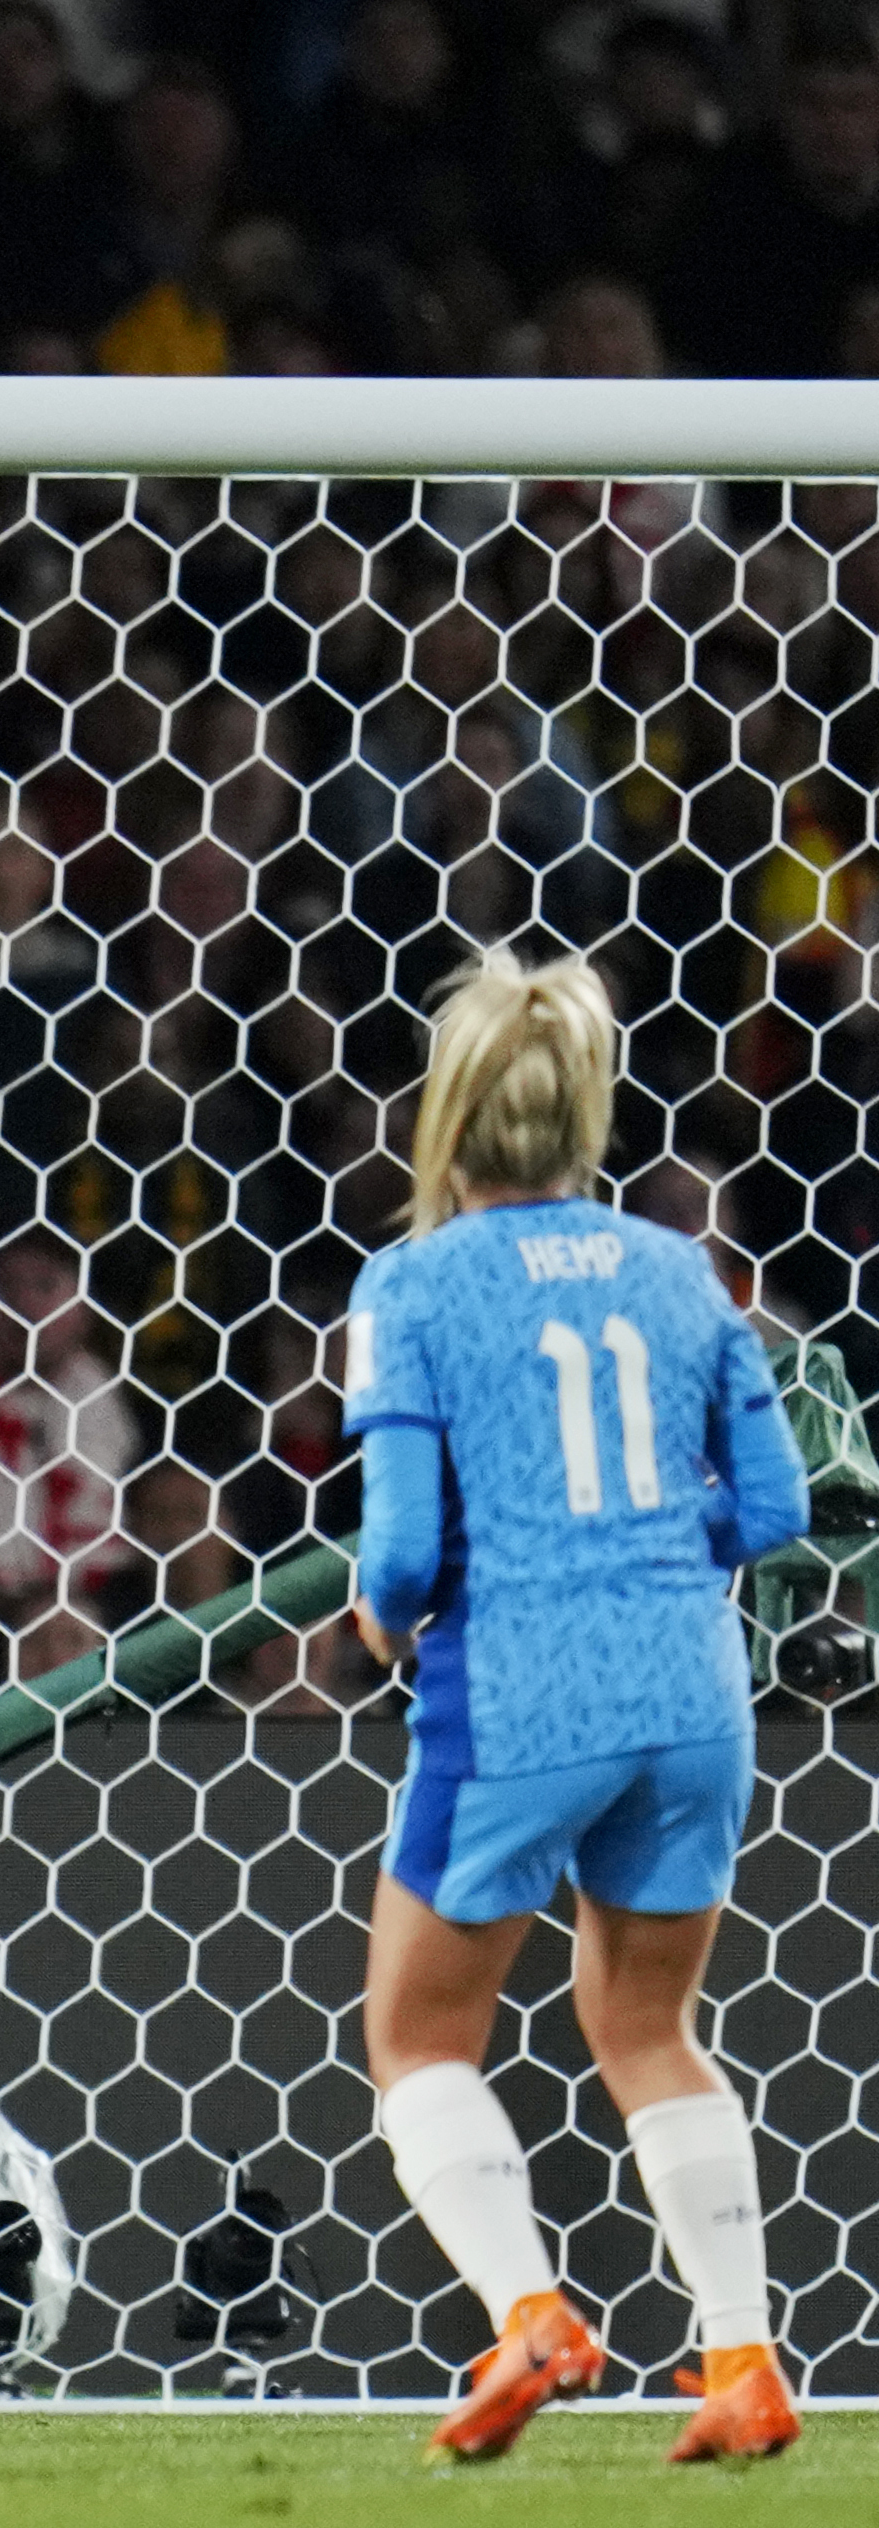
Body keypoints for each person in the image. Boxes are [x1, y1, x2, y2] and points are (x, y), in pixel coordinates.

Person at [342, 950, 808, 2467]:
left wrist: (387, 1610)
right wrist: (662, 1556)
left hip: (522, 1695)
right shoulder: (680, 1269)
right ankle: (742, 2361)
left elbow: (405, 1549)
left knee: (417, 2039)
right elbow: (780, 1502)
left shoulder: (407, 1285)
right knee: (650, 2027)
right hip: (690, 1687)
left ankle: (529, 2312)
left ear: (447, 1119)